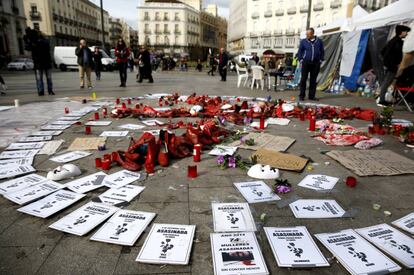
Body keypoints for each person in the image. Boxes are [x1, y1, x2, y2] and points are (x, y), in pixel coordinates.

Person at [379, 25, 411, 106]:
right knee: (386, 83)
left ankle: (382, 99)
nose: (407, 33)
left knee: (387, 82)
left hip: (391, 65)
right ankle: (381, 100)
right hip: (391, 66)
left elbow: (383, 52)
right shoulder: (395, 41)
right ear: (401, 32)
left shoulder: (396, 41)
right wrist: (388, 63)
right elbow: (384, 53)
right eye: (406, 31)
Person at [297, 27, 325, 101]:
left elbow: (322, 51)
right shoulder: (303, 41)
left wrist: (321, 59)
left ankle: (311, 96)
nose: (307, 35)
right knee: (303, 79)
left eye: (308, 34)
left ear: (312, 34)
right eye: (306, 34)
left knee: (313, 80)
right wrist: (301, 60)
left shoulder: (319, 41)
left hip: (316, 63)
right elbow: (300, 51)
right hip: (306, 63)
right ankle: (301, 96)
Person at [25, 29, 54, 96]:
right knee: (42, 78)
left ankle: (47, 90)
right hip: (40, 63)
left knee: (43, 78)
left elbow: (30, 47)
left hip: (44, 62)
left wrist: (30, 41)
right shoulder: (34, 42)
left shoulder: (43, 42)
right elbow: (27, 48)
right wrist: (27, 40)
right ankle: (44, 91)